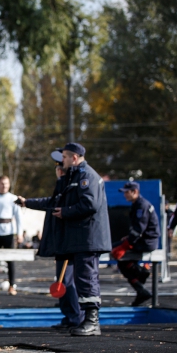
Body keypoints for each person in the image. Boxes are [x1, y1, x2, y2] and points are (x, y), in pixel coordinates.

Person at [17, 150, 84, 331]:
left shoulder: (69, 185)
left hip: (68, 240)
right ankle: (70, 317)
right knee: (63, 280)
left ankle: (76, 317)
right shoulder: (64, 185)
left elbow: (57, 205)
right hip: (62, 241)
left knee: (67, 281)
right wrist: (27, 203)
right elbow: (50, 203)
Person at [50, 142, 111, 336]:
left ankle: (92, 321)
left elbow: (89, 204)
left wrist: (66, 212)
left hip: (88, 237)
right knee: (82, 278)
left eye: (65, 157)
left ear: (74, 158)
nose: (63, 161)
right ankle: (87, 319)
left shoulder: (86, 176)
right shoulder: (78, 175)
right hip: (81, 237)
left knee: (87, 277)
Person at [110, 181, 160, 306]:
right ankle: (140, 281)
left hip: (146, 242)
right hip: (144, 239)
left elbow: (139, 230)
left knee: (121, 260)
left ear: (135, 192)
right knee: (123, 261)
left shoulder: (141, 206)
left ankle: (141, 275)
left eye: (127, 192)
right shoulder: (137, 204)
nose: (125, 195)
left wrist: (125, 245)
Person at [0, 175, 23, 296]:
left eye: (6, 184)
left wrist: (19, 233)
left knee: (10, 260)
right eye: (2, 183)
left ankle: (12, 286)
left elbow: (19, 217)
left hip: (8, 232)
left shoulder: (14, 199)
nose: (4, 186)